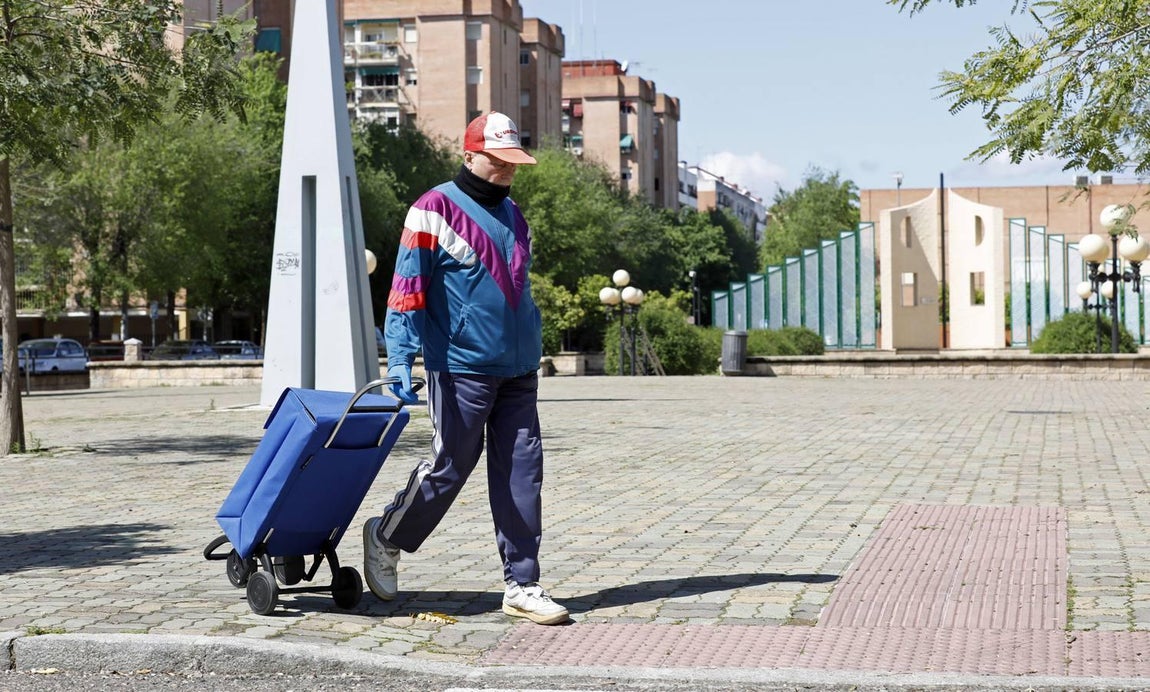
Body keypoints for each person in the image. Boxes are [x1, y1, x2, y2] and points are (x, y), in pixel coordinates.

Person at [363, 111, 569, 625]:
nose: (505, 169)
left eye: (512, 161)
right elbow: (406, 290)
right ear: (470, 154)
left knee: (524, 473)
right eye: (496, 160)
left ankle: (523, 584)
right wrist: (401, 358)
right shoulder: (431, 210)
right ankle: (387, 535)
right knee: (450, 466)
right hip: (460, 367)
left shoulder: (516, 215)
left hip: (518, 368)